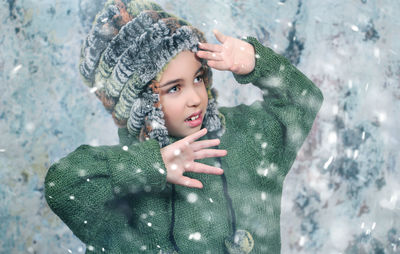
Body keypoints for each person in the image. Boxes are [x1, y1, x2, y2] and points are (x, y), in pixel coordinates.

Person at [44, 0, 324, 253]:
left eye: (198, 78)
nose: (195, 98)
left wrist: (257, 62)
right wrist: (150, 165)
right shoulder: (127, 191)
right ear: (141, 103)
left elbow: (304, 102)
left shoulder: (246, 136)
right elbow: (62, 186)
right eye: (174, 88)